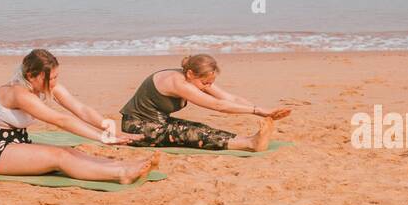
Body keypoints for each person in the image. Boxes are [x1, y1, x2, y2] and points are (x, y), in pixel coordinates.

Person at [0, 48, 158, 183]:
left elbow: (81, 109)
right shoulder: (18, 93)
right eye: (50, 78)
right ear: (31, 76)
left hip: (18, 143)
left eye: (56, 77)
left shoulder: (44, 86)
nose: (54, 82)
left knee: (69, 151)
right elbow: (61, 120)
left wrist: (110, 129)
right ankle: (121, 174)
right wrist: (101, 138)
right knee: (60, 157)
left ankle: (123, 165)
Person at [119, 53, 290, 151]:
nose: (208, 86)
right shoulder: (177, 82)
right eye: (205, 83)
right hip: (136, 128)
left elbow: (229, 98)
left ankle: (250, 140)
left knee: (200, 128)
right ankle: (250, 144)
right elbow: (219, 105)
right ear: (191, 74)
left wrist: (263, 110)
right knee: (192, 133)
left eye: (210, 83)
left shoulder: (195, 79)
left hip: (157, 122)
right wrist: (257, 111)